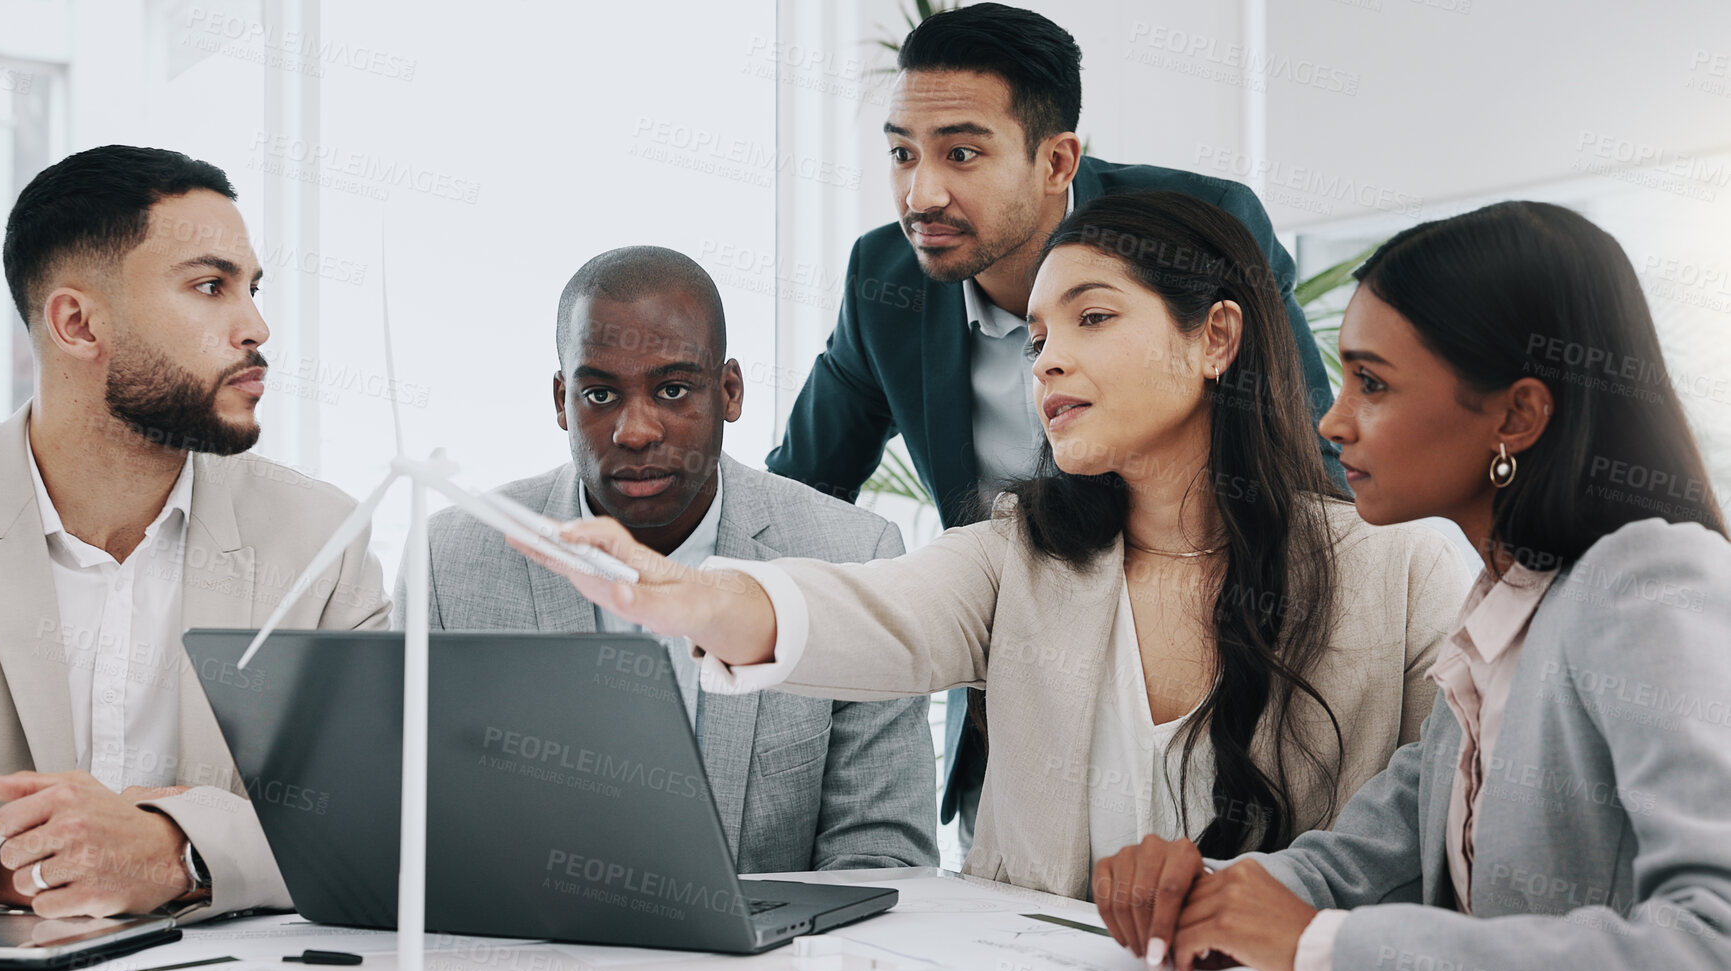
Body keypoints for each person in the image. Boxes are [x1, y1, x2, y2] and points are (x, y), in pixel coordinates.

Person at [510, 193, 1468, 901]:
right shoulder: (1020, 555)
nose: (1045, 356)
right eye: (1037, 333)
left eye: (1092, 318)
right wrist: (691, 597)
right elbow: (867, 609)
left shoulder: (1403, 571)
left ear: (1215, 337)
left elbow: (1451, 849)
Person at [1093, 201, 1731, 971]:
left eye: (1373, 383)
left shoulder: (1646, 581)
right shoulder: (1501, 620)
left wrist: (1317, 948)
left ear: (1517, 416)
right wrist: (1201, 894)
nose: (1333, 420)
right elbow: (1354, 866)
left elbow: (1713, 952)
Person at [766, 3, 1343, 850]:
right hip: (1016, 711)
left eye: (961, 152)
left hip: (1224, 690)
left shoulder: (1198, 228)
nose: (919, 193)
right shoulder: (884, 279)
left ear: (1055, 159)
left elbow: (1304, 463)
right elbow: (798, 496)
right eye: (901, 153)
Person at [0, 145, 388, 922]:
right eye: (211, 286)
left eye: (252, 287)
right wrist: (20, 866)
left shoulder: (321, 539)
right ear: (76, 322)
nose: (256, 327)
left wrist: (178, 851)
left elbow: (383, 826)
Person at [406, 246, 936, 872]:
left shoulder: (853, 557)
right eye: (600, 395)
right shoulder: (453, 559)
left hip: (772, 967)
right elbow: (416, 827)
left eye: (673, 389)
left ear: (729, 391)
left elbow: (883, 854)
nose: (635, 430)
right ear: (560, 402)